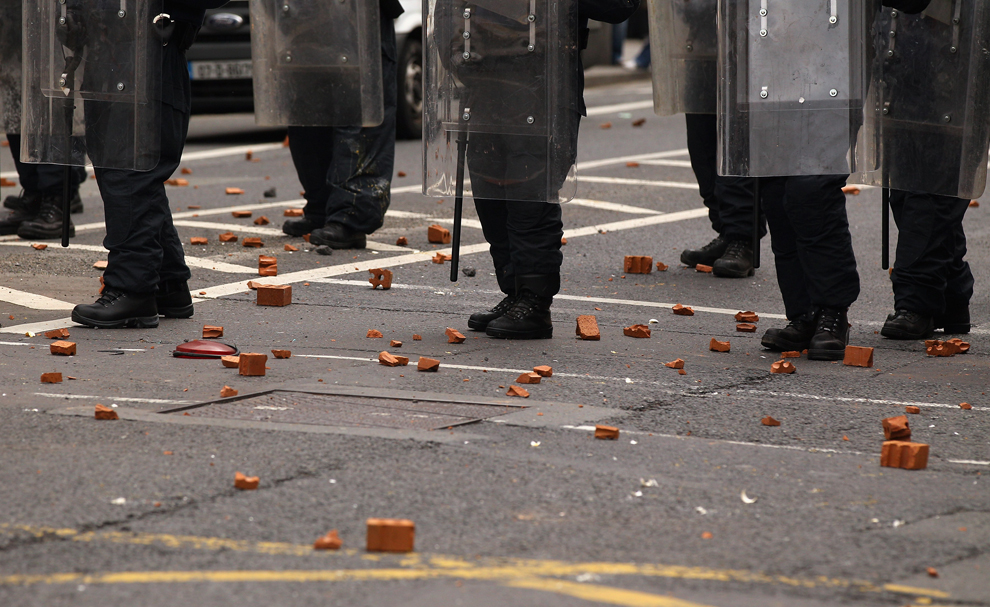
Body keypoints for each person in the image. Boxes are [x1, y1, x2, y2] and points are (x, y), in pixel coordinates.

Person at [466, 0, 641, 340]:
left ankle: (534, 301)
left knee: (529, 194)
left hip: (543, 82)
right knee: (491, 194)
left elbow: (619, 6)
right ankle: (515, 290)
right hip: (485, 79)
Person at [71, 0, 230, 328]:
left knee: (129, 173)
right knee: (123, 171)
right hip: (106, 51)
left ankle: (132, 290)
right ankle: (168, 284)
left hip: (152, 47)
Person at [874, 0, 977, 339]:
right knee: (907, 192)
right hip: (904, 61)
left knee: (928, 198)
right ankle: (951, 295)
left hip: (955, 63)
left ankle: (915, 301)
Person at [280, 0, 404, 250]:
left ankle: (350, 217)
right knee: (309, 121)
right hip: (309, 24)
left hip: (360, 18)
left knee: (359, 122)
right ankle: (322, 207)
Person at [0, 0, 86, 239]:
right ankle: (35, 193)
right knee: (17, 103)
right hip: (14, 15)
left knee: (56, 100)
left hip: (55, 15)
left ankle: (57, 199)